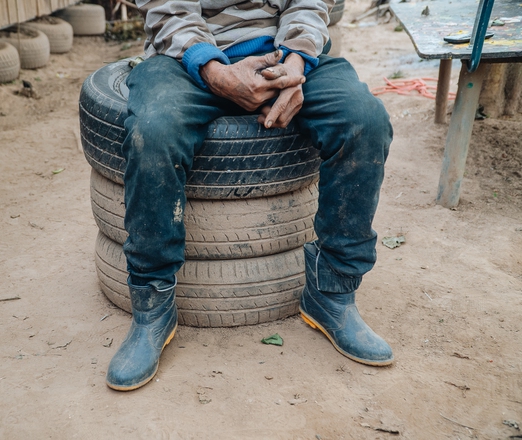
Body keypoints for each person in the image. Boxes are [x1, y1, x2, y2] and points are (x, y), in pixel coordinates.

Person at [105, 0, 395, 392]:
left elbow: (308, 4)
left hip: (282, 55)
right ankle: (152, 307)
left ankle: (333, 293)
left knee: (364, 120)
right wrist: (214, 70)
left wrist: (295, 66)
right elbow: (166, 7)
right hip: (186, 59)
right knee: (153, 132)